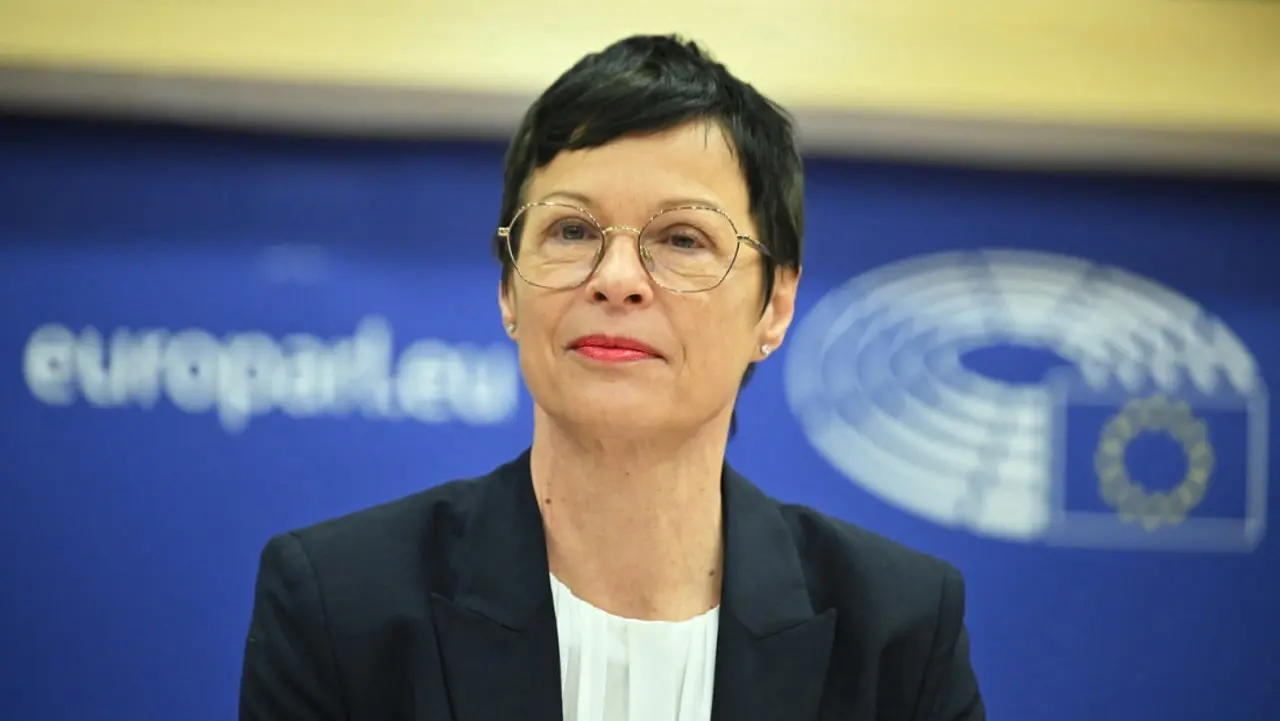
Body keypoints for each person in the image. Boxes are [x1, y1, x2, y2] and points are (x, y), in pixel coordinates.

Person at [239, 34, 984, 721]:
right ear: (508, 288)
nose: (617, 279)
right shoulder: (341, 606)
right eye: (571, 230)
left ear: (775, 305)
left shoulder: (897, 631)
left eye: (682, 238)